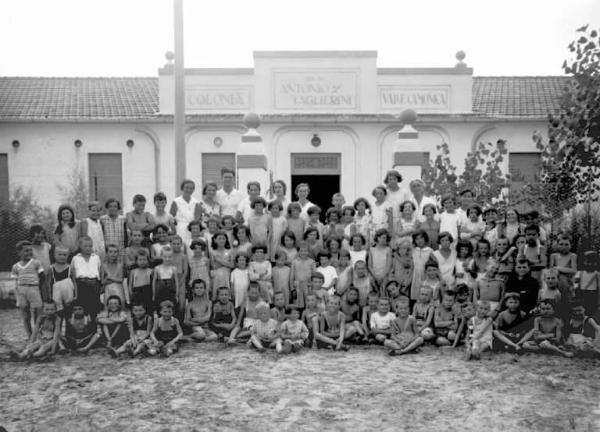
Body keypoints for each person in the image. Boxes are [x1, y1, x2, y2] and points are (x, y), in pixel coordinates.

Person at [12, 240, 45, 337]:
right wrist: (16, 294)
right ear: (19, 252)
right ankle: (29, 335)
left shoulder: (36, 263)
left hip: (34, 289)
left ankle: (38, 334)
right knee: (26, 315)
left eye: (30, 250)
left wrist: (40, 290)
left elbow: (42, 277)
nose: (29, 253)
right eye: (26, 251)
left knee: (38, 313)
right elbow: (15, 281)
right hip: (21, 291)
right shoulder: (15, 266)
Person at [71, 236, 103, 321]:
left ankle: (95, 327)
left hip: (94, 284)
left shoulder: (96, 257)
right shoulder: (76, 258)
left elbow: (100, 271)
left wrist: (100, 285)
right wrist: (75, 290)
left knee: (95, 307)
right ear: (80, 246)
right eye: (85, 246)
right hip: (81, 284)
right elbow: (73, 275)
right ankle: (84, 328)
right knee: (83, 307)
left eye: (90, 246)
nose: (88, 248)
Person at [170, 180, 202, 245]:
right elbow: (171, 218)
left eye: (191, 188)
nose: (188, 190)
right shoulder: (176, 201)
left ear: (193, 190)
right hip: (180, 229)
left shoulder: (196, 203)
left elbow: (197, 219)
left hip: (192, 230)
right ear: (182, 188)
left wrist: (194, 230)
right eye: (186, 188)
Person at [47, 246, 74, 318]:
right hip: (57, 293)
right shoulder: (51, 268)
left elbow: (74, 282)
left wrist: (76, 295)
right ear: (54, 255)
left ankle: (69, 328)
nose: (62, 257)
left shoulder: (70, 267)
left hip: (68, 292)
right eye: (59, 254)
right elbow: (49, 283)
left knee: (69, 313)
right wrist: (49, 295)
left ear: (68, 256)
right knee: (59, 313)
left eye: (64, 255)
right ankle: (58, 327)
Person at [152, 246, 179, 312]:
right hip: (160, 290)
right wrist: (154, 294)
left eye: (169, 257)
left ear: (172, 257)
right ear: (161, 256)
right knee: (160, 307)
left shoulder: (173, 268)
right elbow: (154, 282)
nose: (167, 259)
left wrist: (177, 295)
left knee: (171, 307)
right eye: (165, 256)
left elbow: (176, 282)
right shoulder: (157, 268)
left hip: (170, 290)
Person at [410, 231, 434, 302]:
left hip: (425, 276)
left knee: (425, 294)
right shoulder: (413, 250)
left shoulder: (430, 251)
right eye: (417, 239)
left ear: (425, 239)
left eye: (421, 238)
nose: (419, 241)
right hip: (415, 275)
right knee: (415, 295)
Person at [290, 243, 315, 309]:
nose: (303, 253)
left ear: (308, 252)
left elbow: (314, 275)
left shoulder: (311, 262)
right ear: (298, 252)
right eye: (301, 251)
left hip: (308, 285)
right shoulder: (294, 262)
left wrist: (313, 286)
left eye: (305, 251)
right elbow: (292, 276)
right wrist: (292, 288)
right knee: (298, 304)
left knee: (308, 303)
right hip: (297, 285)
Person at [575, 250, 599, 317]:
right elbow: (576, 283)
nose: (590, 264)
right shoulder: (580, 273)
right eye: (588, 262)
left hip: (593, 294)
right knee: (582, 309)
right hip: (582, 293)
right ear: (584, 262)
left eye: (593, 262)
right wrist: (575, 289)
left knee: (591, 310)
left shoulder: (597, 274)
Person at [129, 250, 154, 314]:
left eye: (144, 259)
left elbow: (153, 284)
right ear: (136, 261)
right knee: (137, 310)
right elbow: (130, 285)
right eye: (140, 260)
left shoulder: (151, 271)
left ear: (148, 260)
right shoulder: (133, 271)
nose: (142, 261)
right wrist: (131, 294)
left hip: (147, 292)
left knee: (148, 310)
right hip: (136, 292)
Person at [210, 231, 234, 299]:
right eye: (219, 238)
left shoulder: (230, 251)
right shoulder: (212, 252)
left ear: (226, 240)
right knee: (217, 294)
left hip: (226, 276)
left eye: (223, 238)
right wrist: (226, 263)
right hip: (216, 277)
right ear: (215, 240)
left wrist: (218, 260)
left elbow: (232, 265)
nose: (221, 240)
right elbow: (214, 266)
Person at [368, 229, 392, 295]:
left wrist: (382, 276)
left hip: (384, 275)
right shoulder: (371, 249)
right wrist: (375, 276)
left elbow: (388, 265)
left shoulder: (388, 250)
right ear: (377, 238)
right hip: (374, 275)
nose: (382, 239)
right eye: (380, 237)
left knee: (383, 292)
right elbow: (370, 265)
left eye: (384, 238)